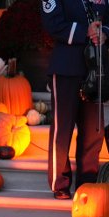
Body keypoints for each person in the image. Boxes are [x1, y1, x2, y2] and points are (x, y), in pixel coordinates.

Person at [42, 0, 109, 200]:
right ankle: (59, 182)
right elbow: (52, 23)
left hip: (96, 69)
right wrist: (84, 32)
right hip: (66, 67)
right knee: (62, 129)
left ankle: (87, 181)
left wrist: (104, 32)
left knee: (93, 130)